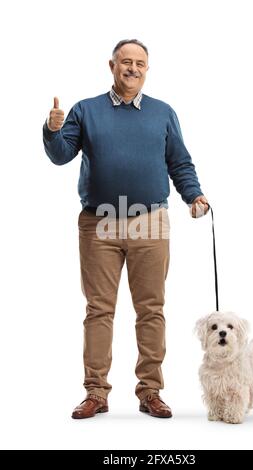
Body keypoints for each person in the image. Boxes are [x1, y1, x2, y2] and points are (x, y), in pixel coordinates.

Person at [42, 39, 209, 419]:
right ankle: (96, 392)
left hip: (149, 221)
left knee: (151, 309)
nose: (133, 68)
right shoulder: (86, 110)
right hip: (98, 223)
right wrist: (53, 131)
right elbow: (60, 155)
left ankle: (150, 390)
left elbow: (179, 162)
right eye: (125, 62)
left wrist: (194, 196)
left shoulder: (163, 112)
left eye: (140, 63)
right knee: (98, 309)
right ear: (111, 66)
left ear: (147, 68)